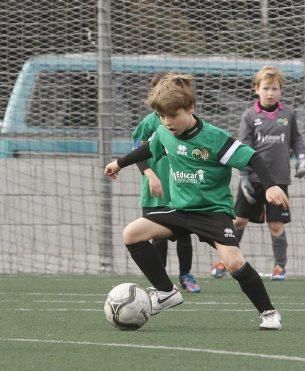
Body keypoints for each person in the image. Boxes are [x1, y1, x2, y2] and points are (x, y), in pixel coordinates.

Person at [105, 73, 287, 330]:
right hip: (179, 209)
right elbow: (148, 148)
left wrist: (271, 186)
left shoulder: (214, 138)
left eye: (172, 115)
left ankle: (268, 312)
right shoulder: (164, 131)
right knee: (132, 233)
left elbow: (252, 158)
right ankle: (166, 292)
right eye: (162, 116)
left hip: (213, 212)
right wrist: (120, 163)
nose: (167, 122)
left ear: (190, 108)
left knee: (234, 262)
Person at [211, 66, 305, 281]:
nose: (270, 93)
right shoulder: (249, 116)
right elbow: (242, 147)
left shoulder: (288, 114)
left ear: (281, 90)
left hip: (278, 180)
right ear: (256, 89)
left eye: (275, 88)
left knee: (276, 225)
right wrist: (243, 176)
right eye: (266, 88)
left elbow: (297, 140)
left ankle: (280, 267)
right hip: (253, 179)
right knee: (237, 221)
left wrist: (302, 159)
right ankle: (227, 260)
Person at [132, 72, 200, 293]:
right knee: (156, 238)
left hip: (180, 189)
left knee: (185, 236)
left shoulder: (184, 121)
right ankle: (160, 282)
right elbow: (137, 151)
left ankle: (186, 275)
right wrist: (150, 175)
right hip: (155, 192)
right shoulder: (149, 123)